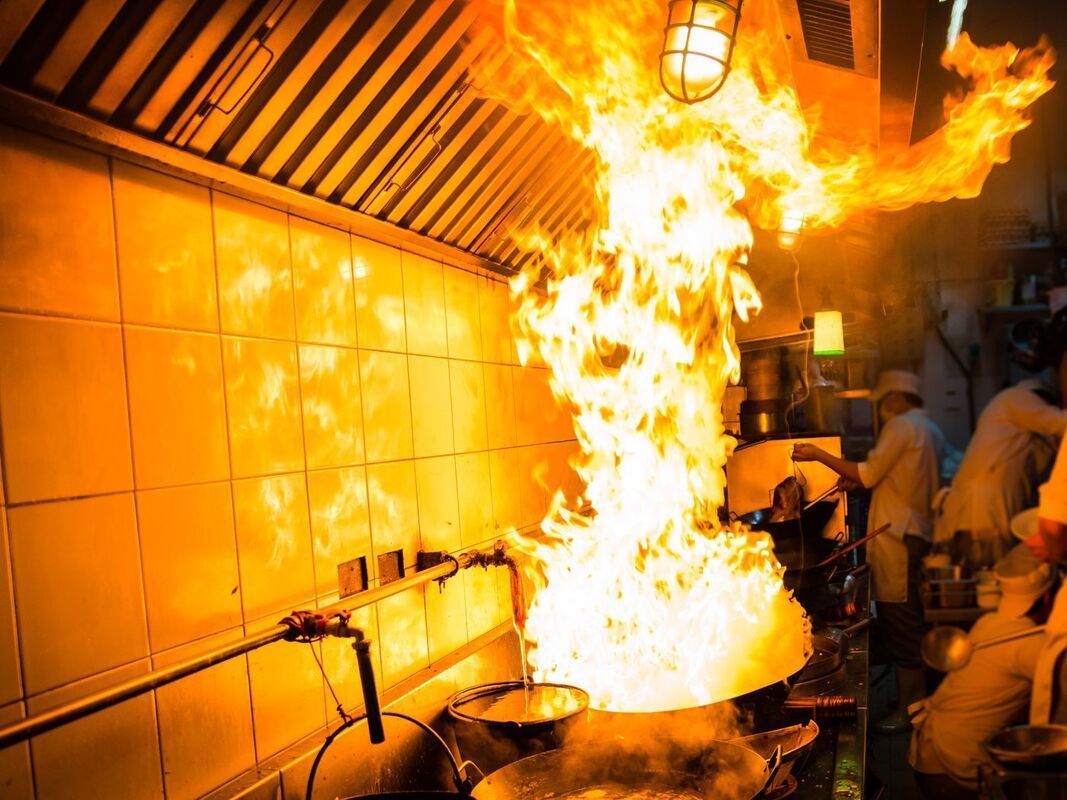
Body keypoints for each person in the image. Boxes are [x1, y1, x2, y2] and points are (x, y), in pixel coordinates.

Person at [793, 369, 945, 733]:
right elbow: (897, 479)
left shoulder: (901, 427)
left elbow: (870, 473)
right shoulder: (929, 429)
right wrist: (861, 483)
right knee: (908, 620)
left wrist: (818, 454)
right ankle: (913, 704)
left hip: (899, 540)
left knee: (902, 623)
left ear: (894, 399)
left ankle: (910, 714)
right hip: (914, 533)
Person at [908, 546, 1054, 799]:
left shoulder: (989, 622)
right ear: (1048, 598)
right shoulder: (1030, 645)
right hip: (951, 767)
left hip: (927, 750)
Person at [935, 375, 1066, 567]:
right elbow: (1057, 422)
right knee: (989, 572)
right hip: (983, 510)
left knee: (991, 570)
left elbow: (1043, 461)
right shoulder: (1016, 398)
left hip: (987, 507)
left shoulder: (1022, 429)